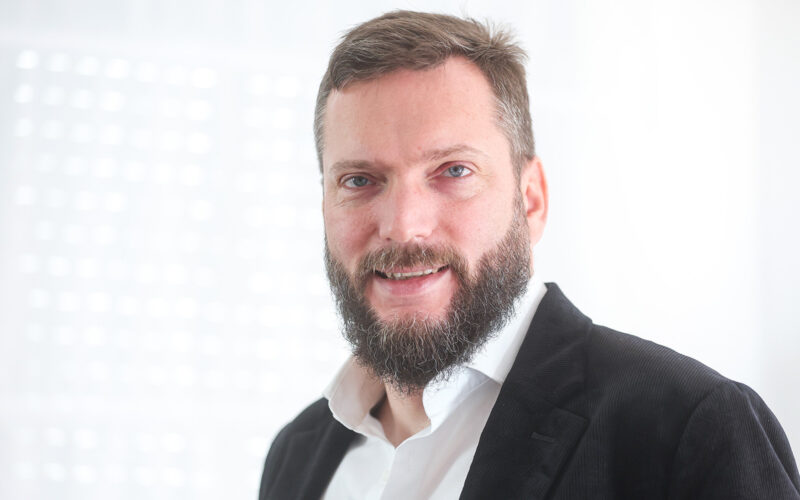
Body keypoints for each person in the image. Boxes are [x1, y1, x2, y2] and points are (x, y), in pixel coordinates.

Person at [259, 10, 800, 499]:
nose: (403, 226)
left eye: (453, 171)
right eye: (359, 180)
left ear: (531, 199)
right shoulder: (296, 456)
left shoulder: (689, 429)